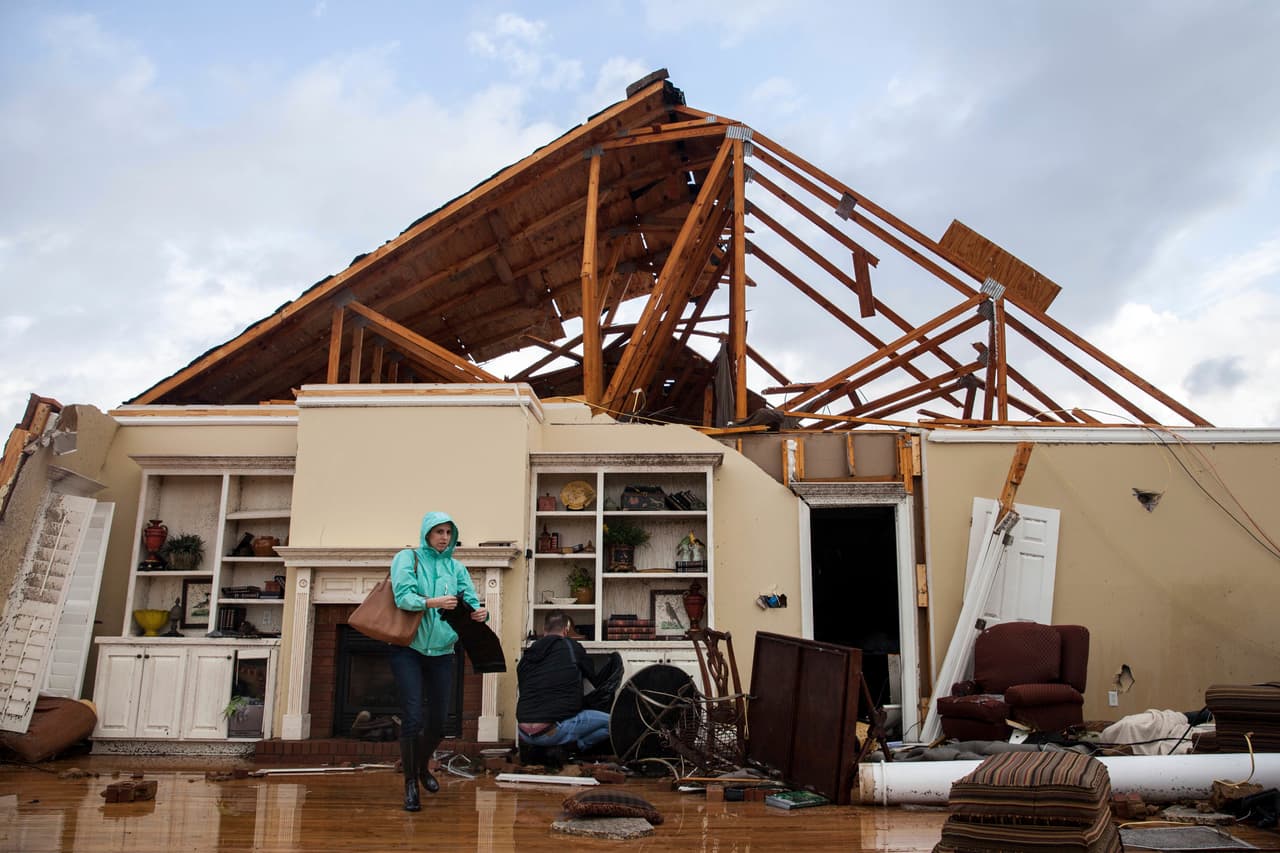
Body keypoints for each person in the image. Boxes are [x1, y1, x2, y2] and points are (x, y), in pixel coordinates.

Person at [390, 511, 488, 812]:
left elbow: (469, 601)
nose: (444, 537)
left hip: (443, 651)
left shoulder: (457, 568)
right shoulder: (407, 559)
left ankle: (421, 768)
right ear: (426, 534)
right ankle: (409, 784)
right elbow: (402, 597)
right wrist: (434, 602)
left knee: (438, 722)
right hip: (408, 647)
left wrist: (479, 613)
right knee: (412, 716)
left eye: (448, 532)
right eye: (438, 531)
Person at [516, 611, 622, 761]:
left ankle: (550, 749)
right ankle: (574, 748)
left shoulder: (528, 655)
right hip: (552, 731)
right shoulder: (571, 646)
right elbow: (591, 675)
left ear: (544, 629)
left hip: (523, 733)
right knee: (615, 723)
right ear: (566, 629)